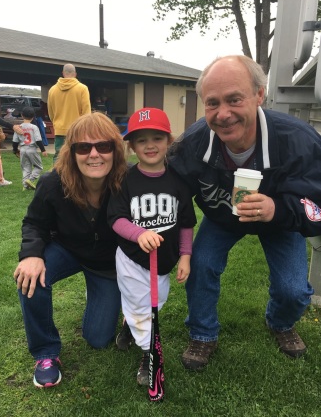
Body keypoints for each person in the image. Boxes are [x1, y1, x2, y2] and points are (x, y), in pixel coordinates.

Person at [167, 55, 321, 371]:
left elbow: (317, 204)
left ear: (259, 95)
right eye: (212, 103)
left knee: (292, 290)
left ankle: (280, 322)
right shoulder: (195, 142)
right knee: (201, 263)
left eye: (234, 99)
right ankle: (202, 332)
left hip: (280, 221)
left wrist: (277, 208)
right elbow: (171, 186)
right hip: (223, 217)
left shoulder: (299, 140)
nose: (223, 114)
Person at [13, 112, 127, 388]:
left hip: (105, 264)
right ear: (72, 152)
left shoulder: (129, 182)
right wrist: (31, 255)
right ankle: (46, 353)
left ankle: (106, 300)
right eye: (83, 147)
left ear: (115, 150)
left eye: (103, 146)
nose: (94, 154)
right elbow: (34, 223)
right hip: (67, 249)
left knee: (98, 340)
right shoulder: (53, 182)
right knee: (30, 278)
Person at [108, 107, 197, 386]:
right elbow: (116, 219)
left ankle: (128, 326)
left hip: (165, 261)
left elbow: (185, 223)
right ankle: (150, 355)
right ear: (131, 145)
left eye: (157, 138)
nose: (150, 145)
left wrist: (185, 257)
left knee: (155, 302)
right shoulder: (125, 180)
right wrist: (138, 234)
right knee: (143, 307)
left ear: (168, 142)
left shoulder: (178, 182)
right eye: (141, 139)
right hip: (132, 258)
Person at [47, 63, 91, 163]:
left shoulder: (52, 90)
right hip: (77, 130)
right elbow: (86, 113)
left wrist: (56, 123)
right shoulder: (82, 88)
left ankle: (57, 177)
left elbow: (51, 112)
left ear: (63, 73)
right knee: (77, 157)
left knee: (59, 157)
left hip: (59, 130)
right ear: (75, 74)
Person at [12, 106, 48, 190]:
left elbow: (15, 141)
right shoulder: (34, 127)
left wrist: (15, 150)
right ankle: (30, 180)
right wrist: (43, 150)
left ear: (22, 115)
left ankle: (25, 186)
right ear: (33, 117)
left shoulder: (18, 127)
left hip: (23, 149)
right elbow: (38, 139)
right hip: (32, 149)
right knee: (39, 167)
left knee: (26, 167)